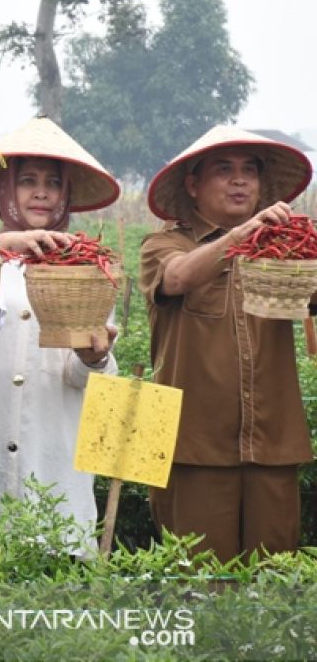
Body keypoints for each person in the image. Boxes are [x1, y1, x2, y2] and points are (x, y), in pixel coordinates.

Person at [140, 125, 313, 561]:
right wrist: (241, 236)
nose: (240, 180)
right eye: (224, 169)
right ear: (193, 185)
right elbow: (178, 277)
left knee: (275, 583)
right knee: (202, 582)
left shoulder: (284, 250)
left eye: (249, 171)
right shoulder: (164, 244)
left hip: (272, 442)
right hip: (192, 444)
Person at [0, 117, 120, 545]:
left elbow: (88, 381)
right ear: (5, 191)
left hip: (52, 450)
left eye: (53, 183)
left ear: (66, 196)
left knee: (50, 573)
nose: (41, 192)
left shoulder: (88, 268)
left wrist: (94, 358)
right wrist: (3, 244)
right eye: (27, 180)